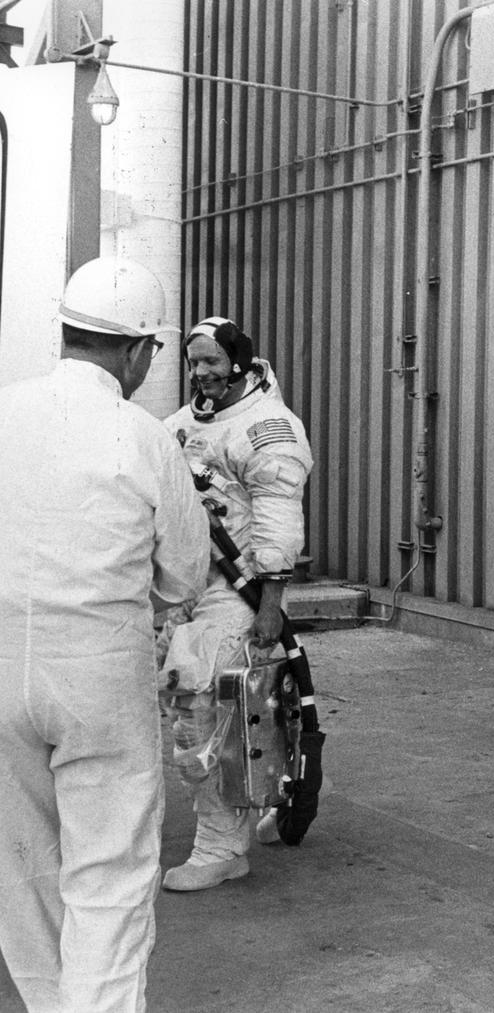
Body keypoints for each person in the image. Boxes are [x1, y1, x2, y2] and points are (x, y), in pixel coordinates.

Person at [0, 257, 208, 1011]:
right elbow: (184, 575)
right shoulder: (142, 436)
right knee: (110, 876)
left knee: (20, 869)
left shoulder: (2, 412)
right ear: (136, 351)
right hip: (98, 676)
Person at [156, 316, 313, 891]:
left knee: (207, 712)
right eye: (194, 363)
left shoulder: (268, 428)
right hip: (188, 587)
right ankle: (268, 797)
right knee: (231, 706)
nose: (201, 373)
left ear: (239, 364)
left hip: (238, 589)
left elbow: (277, 522)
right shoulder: (179, 425)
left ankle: (222, 848)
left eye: (212, 363)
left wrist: (271, 603)